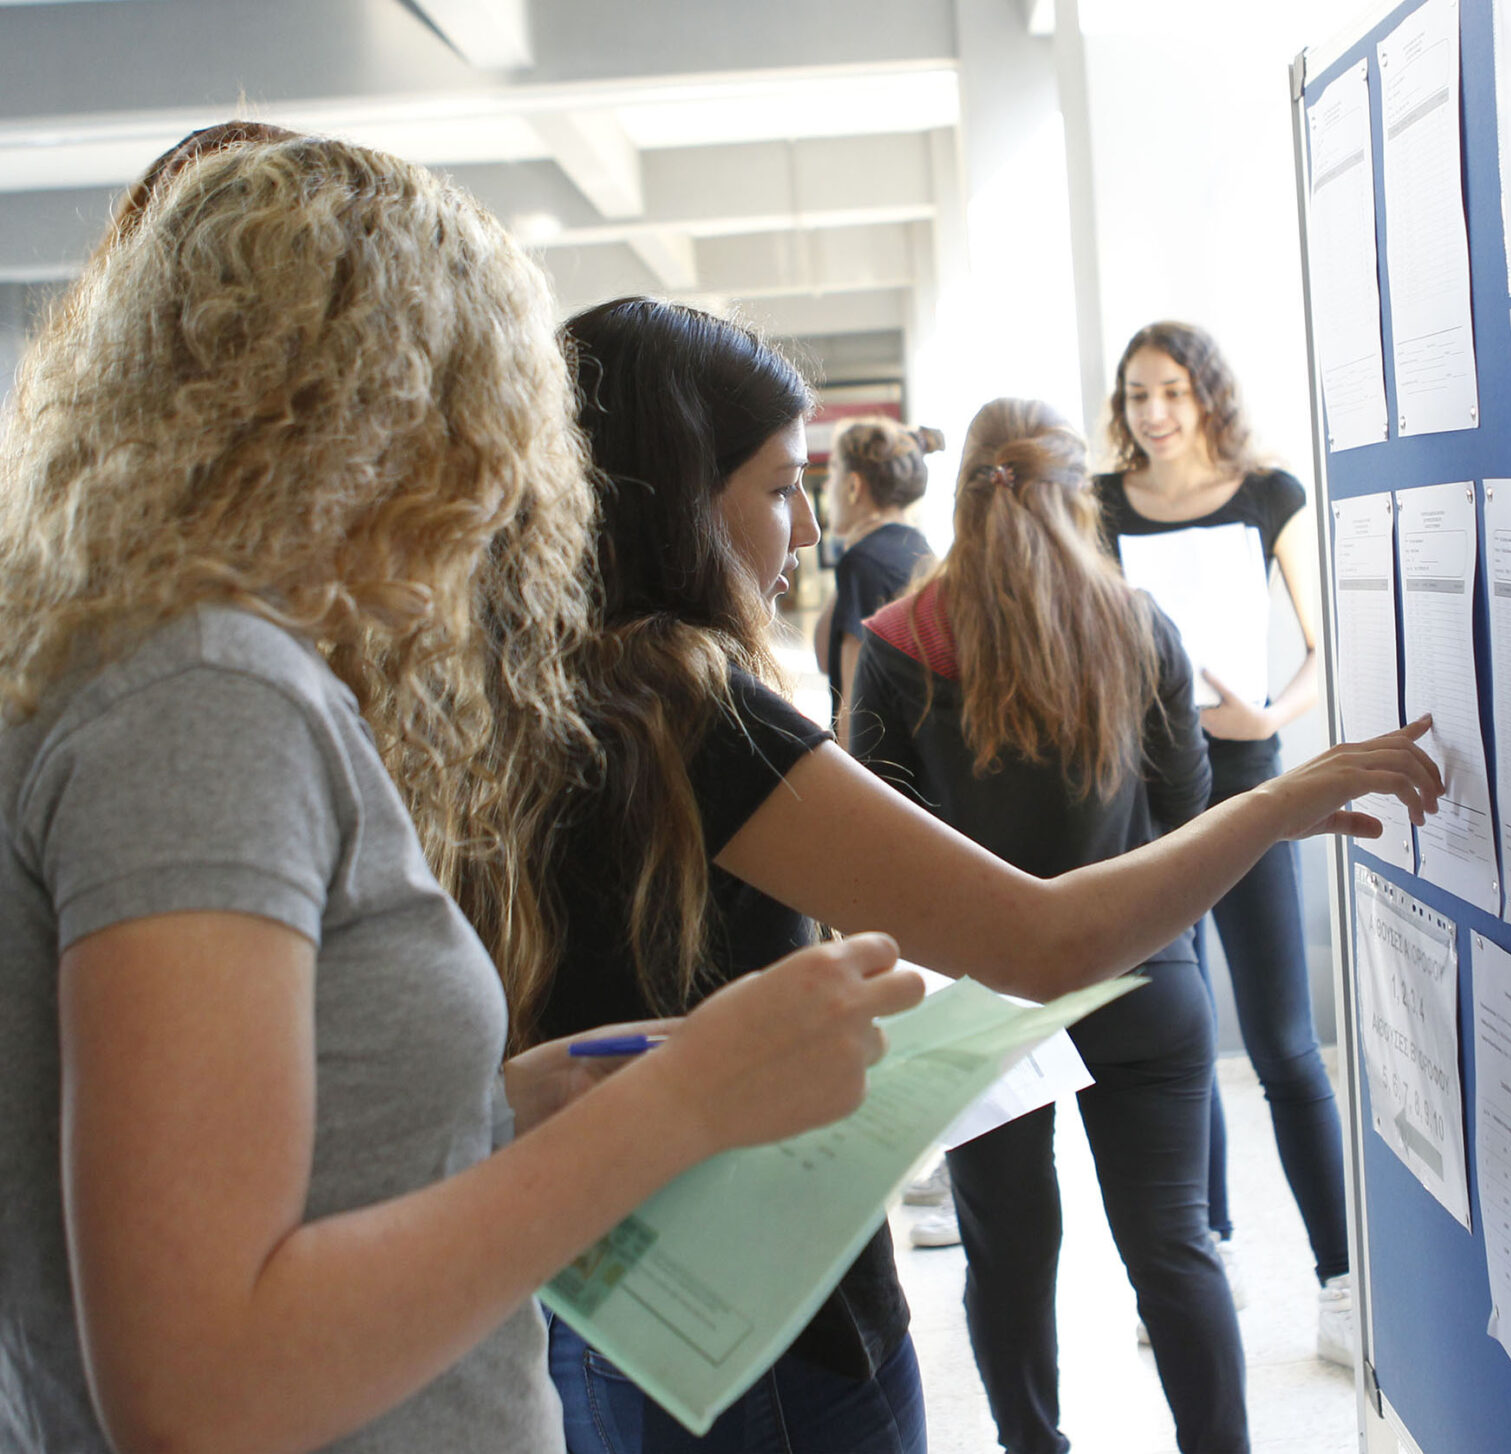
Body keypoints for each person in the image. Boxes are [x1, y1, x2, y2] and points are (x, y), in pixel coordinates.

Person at [0, 134, 921, 1454]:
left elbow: (218, 1167)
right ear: (408, 407)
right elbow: (198, 1382)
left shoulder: (112, 655)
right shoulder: (206, 692)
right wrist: (689, 1100)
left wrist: (499, 1111)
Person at [529, 297, 1445, 1454]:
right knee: (1173, 1245)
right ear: (672, 498)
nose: (809, 527)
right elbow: (1049, 925)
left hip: (634, 1289)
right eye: (775, 487)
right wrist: (1267, 804)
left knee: (1013, 1250)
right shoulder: (692, 711)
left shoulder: (560, 689)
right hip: (754, 1309)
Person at [851, 397, 1247, 1453]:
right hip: (1142, 977)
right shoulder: (1139, 623)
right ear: (1082, 496)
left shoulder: (895, 644)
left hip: (980, 997)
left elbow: (874, 844)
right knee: (1174, 1248)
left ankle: (1036, 1445)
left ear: (965, 488)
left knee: (1008, 1252)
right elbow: (1187, 814)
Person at [1093, 319, 1355, 1362]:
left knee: (1285, 1041)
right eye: (1134, 395)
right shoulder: (1099, 505)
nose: (1151, 413)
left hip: (1247, 781)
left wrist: (1270, 715)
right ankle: (1209, 1251)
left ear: (1205, 395)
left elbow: (1326, 639)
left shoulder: (1267, 494)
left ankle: (1340, 1280)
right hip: (1146, 794)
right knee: (1179, 1034)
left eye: (1168, 392)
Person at [813, 417, 940, 746]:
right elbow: (826, 658)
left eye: (833, 472)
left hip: (881, 770)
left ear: (854, 486)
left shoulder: (864, 564)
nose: (828, 488)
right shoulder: (919, 550)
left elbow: (853, 710)